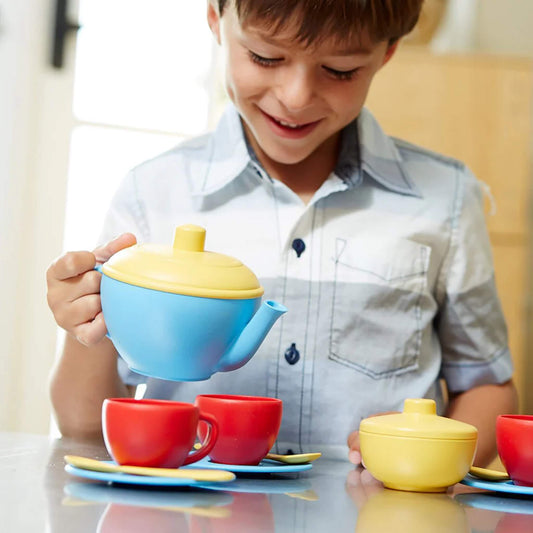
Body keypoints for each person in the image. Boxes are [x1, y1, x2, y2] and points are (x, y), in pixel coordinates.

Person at [46, 0, 517, 466]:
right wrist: (86, 322)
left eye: (340, 70)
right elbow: (84, 428)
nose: (296, 96)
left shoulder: (445, 199)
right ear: (216, 19)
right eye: (265, 58)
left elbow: (486, 384)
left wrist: (425, 468)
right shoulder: (153, 193)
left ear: (387, 52)